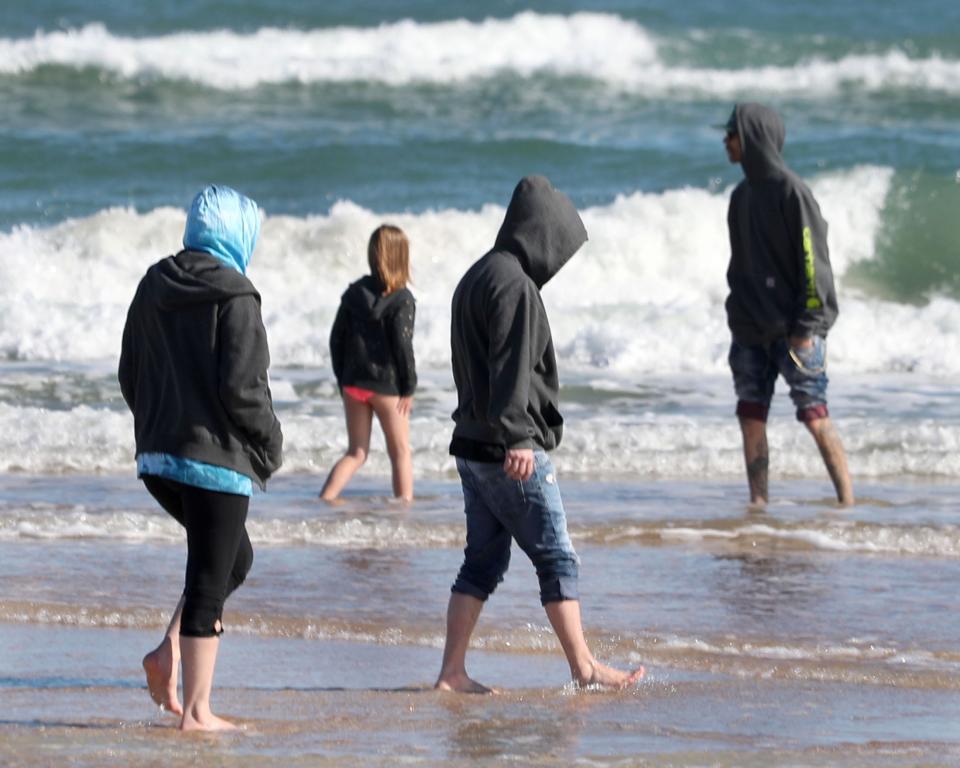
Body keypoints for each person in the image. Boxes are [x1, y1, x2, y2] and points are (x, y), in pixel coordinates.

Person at [435, 175, 645, 693]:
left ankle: (451, 672)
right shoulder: (515, 286)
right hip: (509, 449)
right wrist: (519, 438)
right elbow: (511, 369)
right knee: (556, 556)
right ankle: (585, 667)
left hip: (472, 446)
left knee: (482, 561)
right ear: (542, 234)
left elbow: (474, 367)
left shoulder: (478, 275)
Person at [118, 185, 283, 731]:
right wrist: (271, 443)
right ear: (241, 235)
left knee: (232, 561)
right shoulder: (237, 295)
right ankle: (196, 712)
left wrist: (157, 424)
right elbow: (244, 390)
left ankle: (167, 654)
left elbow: (129, 371)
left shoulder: (153, 284)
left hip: (160, 460)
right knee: (211, 580)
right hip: (216, 463)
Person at [720, 103, 854, 507]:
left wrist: (807, 326)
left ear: (753, 137)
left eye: (732, 132)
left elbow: (815, 262)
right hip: (751, 331)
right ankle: (759, 506)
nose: (726, 140)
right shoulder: (740, 196)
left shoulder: (792, 191)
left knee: (814, 414)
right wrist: (737, 316)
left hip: (797, 330)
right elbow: (740, 264)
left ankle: (848, 505)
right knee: (750, 416)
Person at [320, 224, 417, 502]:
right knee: (400, 452)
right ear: (401, 257)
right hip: (387, 388)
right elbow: (402, 344)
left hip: (354, 383)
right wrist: (409, 386)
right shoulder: (403, 299)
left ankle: (324, 500)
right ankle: (404, 511)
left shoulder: (353, 294)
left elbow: (335, 339)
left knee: (356, 452)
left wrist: (343, 378)